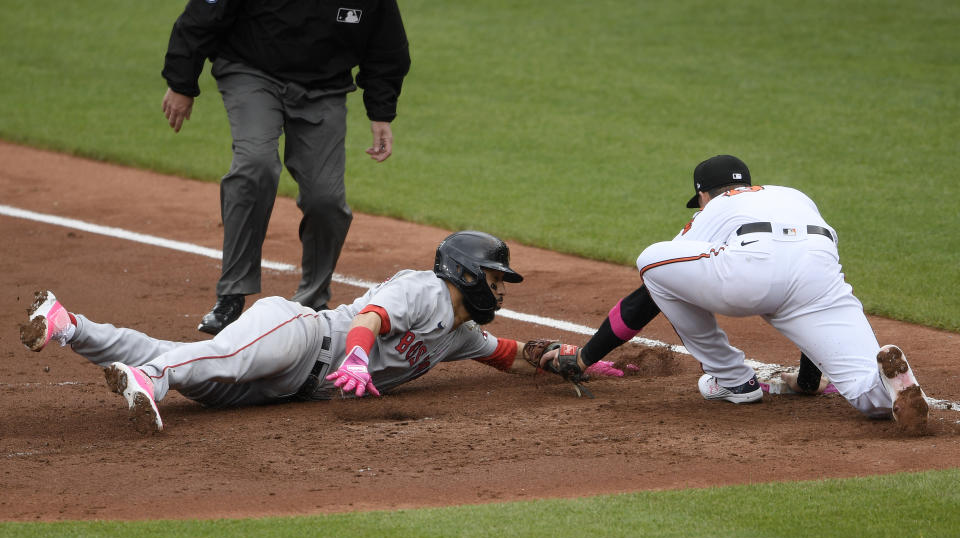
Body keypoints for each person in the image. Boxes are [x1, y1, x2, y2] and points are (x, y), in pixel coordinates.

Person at [539, 155, 930, 434]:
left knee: (653, 263)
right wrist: (808, 381)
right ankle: (891, 389)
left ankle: (732, 380)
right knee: (868, 399)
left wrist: (587, 356)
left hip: (752, 271)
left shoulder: (715, 207)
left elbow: (649, 295)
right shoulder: (793, 196)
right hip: (818, 268)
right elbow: (799, 272)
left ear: (704, 195)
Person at [19, 232, 539, 434]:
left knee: (196, 363)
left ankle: (70, 326)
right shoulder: (423, 290)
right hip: (303, 336)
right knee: (217, 358)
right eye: (497, 279)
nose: (501, 290)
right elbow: (368, 320)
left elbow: (512, 354)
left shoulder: (461, 334)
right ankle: (151, 380)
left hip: (285, 388)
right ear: (468, 274)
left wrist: (582, 358)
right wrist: (356, 361)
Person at [160, 1, 412, 334]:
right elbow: (203, 15)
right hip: (251, 70)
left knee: (326, 200)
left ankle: (313, 303)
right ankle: (232, 295)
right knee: (255, 166)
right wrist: (182, 82)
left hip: (325, 88)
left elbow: (387, 47)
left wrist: (381, 113)